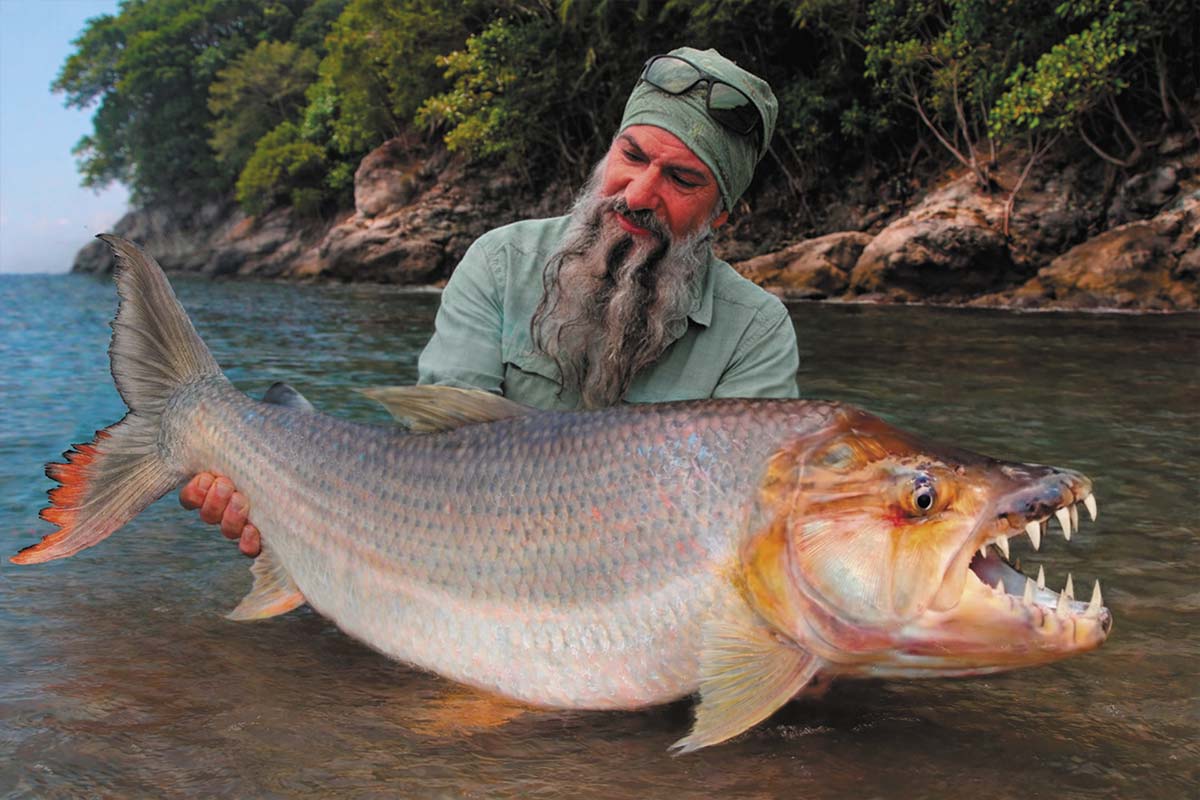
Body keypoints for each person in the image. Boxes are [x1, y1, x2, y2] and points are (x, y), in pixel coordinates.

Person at [182, 47, 800, 557]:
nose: (637, 194)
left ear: (721, 213)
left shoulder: (756, 333)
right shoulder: (500, 262)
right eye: (631, 156)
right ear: (608, 151)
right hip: (457, 550)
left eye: (682, 179)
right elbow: (439, 457)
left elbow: (748, 532)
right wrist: (281, 505)